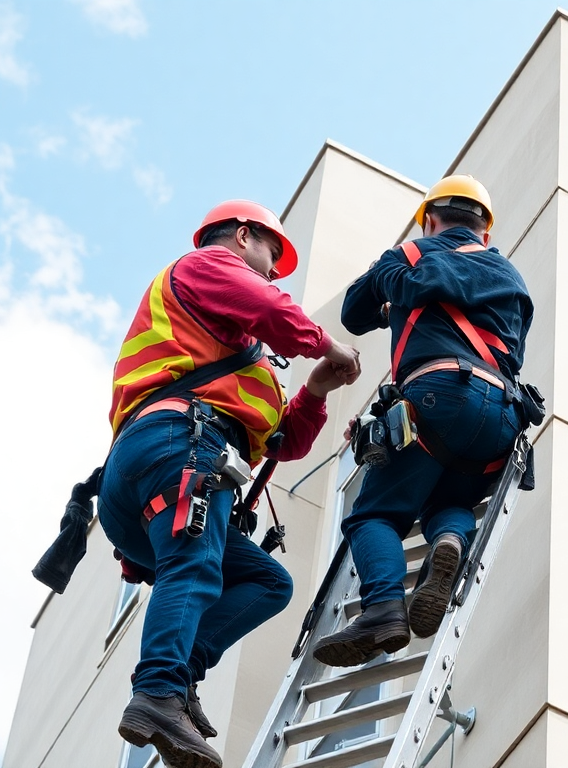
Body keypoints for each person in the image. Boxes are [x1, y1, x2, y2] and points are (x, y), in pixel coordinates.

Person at [98, 200, 361, 768]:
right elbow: (272, 308)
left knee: (268, 583)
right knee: (193, 567)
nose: (271, 271)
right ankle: (158, 693)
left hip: (152, 470)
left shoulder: (228, 350)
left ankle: (178, 677)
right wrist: (328, 343)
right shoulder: (205, 266)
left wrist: (313, 389)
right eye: (271, 255)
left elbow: (283, 442)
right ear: (242, 237)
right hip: (177, 445)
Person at [315, 175, 534, 668]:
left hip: (437, 397)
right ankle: (450, 541)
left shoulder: (411, 257)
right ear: (486, 233)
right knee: (449, 498)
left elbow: (354, 312)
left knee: (373, 515)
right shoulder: (511, 277)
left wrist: (396, 285)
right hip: (500, 417)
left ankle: (383, 610)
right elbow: (514, 348)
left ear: (429, 220)